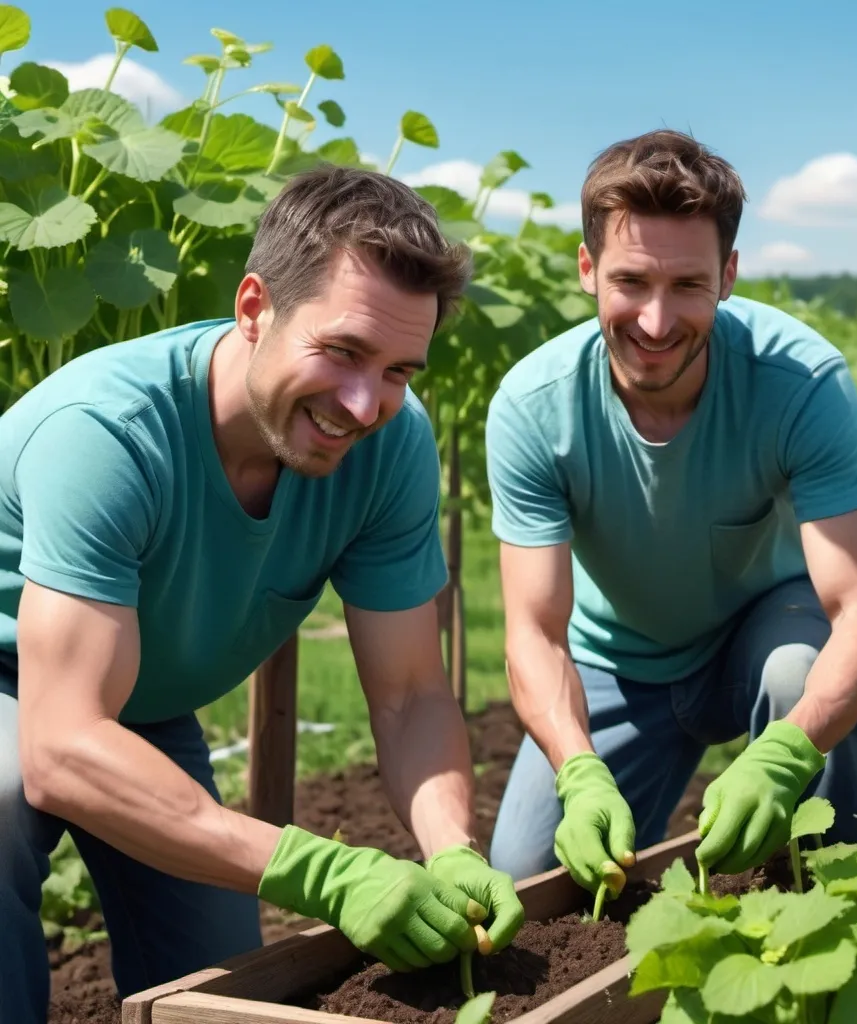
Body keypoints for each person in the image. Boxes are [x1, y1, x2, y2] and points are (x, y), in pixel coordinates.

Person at [0, 166, 523, 1024]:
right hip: (21, 682)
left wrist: (452, 849)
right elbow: (60, 749)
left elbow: (408, 696)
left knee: (219, 984)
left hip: (141, 703)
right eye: (344, 351)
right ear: (254, 307)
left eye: (398, 370)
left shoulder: (390, 448)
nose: (365, 404)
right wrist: (322, 871)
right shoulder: (107, 436)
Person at [482, 129, 857, 898]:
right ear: (587, 271)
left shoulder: (800, 382)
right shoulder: (534, 409)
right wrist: (577, 771)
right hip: (618, 657)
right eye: (630, 281)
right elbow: (535, 632)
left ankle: (841, 900)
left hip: (765, 629)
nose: (654, 319)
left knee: (802, 672)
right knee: (527, 882)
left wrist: (787, 754)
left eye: (687, 286)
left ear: (729, 276)